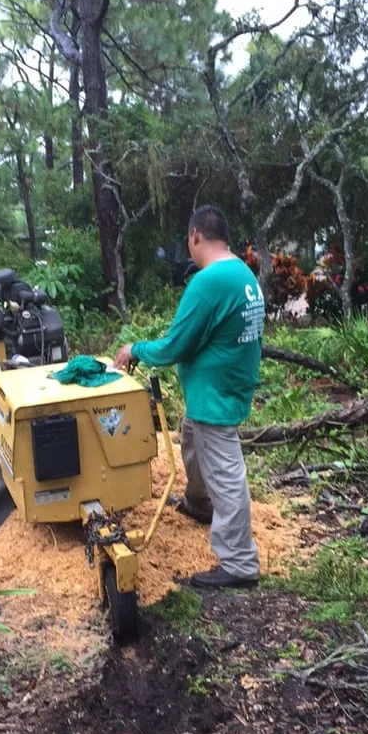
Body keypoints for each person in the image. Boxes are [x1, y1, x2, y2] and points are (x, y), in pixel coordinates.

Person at [113, 205, 265, 588]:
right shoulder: (242, 273)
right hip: (225, 386)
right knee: (192, 441)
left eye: (189, 240)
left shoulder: (209, 282)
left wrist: (135, 349)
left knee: (226, 474)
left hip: (215, 396)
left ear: (195, 236)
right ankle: (199, 503)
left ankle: (240, 563)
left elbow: (175, 345)